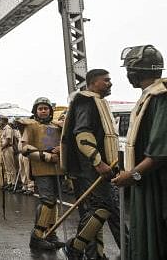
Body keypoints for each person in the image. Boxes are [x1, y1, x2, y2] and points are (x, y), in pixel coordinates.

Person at [111, 45, 167, 260]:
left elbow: (160, 152)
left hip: (157, 184)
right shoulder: (150, 96)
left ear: (135, 72)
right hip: (149, 181)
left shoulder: (161, 97)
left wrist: (133, 175)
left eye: (128, 70)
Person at [61, 69, 120, 260]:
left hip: (98, 168)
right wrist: (98, 161)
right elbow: (83, 133)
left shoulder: (97, 102)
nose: (110, 83)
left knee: (101, 210)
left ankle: (95, 254)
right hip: (91, 169)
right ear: (93, 83)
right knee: (102, 208)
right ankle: (75, 247)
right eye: (106, 80)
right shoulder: (86, 101)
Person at [19, 97, 64, 250]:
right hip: (41, 168)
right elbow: (24, 148)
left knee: (54, 202)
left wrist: (60, 149)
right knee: (47, 201)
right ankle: (37, 236)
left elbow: (65, 143)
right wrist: (47, 156)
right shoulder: (30, 126)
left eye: (46, 108)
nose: (43, 111)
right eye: (40, 108)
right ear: (35, 111)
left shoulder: (58, 127)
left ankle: (51, 234)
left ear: (50, 111)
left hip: (57, 168)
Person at [0, 116, 17, 190]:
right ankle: (9, 182)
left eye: (1, 120)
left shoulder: (8, 128)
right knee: (7, 167)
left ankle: (13, 183)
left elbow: (7, 140)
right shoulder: (3, 129)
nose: (0, 122)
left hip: (8, 148)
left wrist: (1, 147)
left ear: (4, 121)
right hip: (4, 149)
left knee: (11, 167)